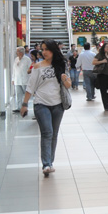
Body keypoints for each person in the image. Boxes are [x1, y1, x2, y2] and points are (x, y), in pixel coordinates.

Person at [20, 40, 72, 177]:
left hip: (58, 105)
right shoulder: (37, 67)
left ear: (53, 50)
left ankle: (50, 162)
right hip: (41, 103)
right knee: (47, 132)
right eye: (42, 49)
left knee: (54, 134)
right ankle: (46, 164)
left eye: (46, 49)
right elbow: (30, 87)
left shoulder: (61, 65)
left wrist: (64, 79)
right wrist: (24, 104)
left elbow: (68, 85)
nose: (44, 52)